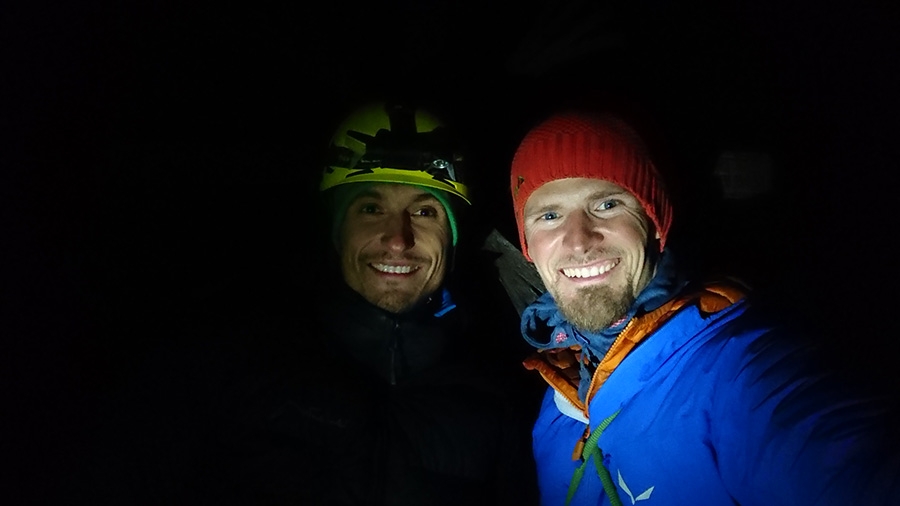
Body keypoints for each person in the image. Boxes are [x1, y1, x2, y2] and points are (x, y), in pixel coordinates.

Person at [506, 108, 900, 505]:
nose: (578, 240)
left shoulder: (739, 371)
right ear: (528, 247)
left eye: (607, 204)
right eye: (550, 215)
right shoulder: (559, 401)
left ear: (656, 221)